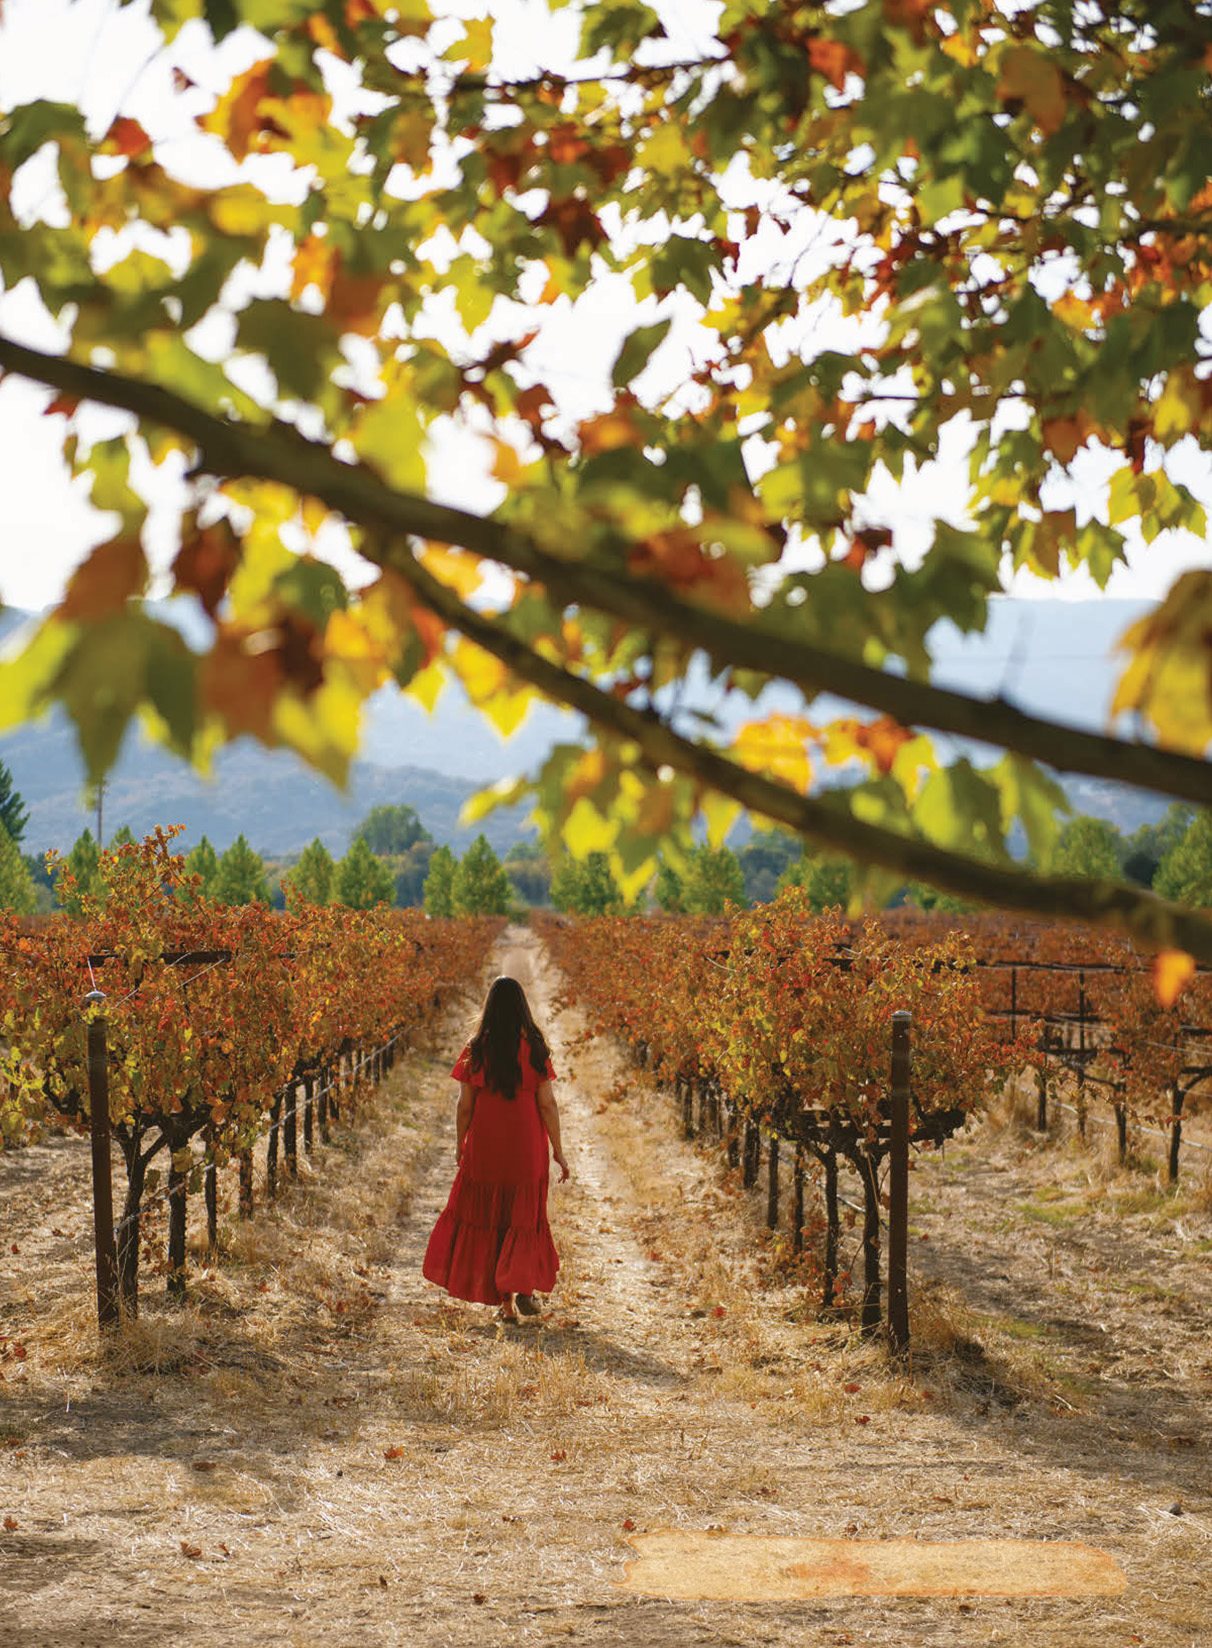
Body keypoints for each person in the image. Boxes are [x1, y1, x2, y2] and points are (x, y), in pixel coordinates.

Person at [422, 974, 570, 1322]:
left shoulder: (477, 1048)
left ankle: (505, 1306)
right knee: (524, 1215)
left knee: (492, 1216)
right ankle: (524, 1287)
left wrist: (461, 1143)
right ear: (522, 1007)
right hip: (526, 1146)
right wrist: (558, 1150)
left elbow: (464, 1105)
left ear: (489, 1007)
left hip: (487, 1145)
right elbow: (547, 1103)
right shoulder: (533, 1046)